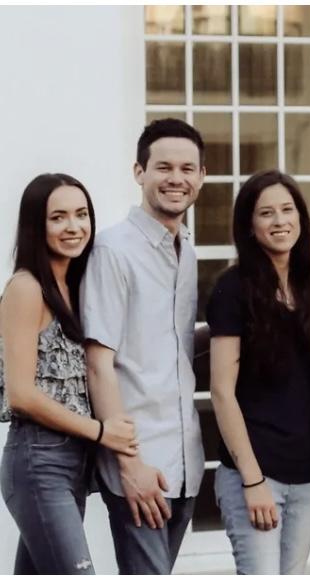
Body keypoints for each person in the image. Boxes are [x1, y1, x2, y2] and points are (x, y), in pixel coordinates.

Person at [81, 118, 206, 574]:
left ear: (202, 177)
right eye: (164, 167)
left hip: (186, 459)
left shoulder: (186, 251)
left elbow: (172, 346)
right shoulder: (113, 250)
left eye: (187, 169)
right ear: (139, 172)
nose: (177, 179)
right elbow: (99, 364)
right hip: (139, 460)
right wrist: (129, 465)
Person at [0, 174, 137, 574]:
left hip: (73, 462)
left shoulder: (76, 285)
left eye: (81, 214)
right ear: (36, 226)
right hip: (39, 460)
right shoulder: (26, 288)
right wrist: (101, 431)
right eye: (58, 217)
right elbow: (21, 394)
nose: (73, 226)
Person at [207, 170, 310, 574]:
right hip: (254, 471)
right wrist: (252, 480)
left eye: (288, 210)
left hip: (306, 470)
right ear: (249, 226)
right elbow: (221, 392)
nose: (280, 221)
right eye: (266, 213)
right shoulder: (233, 288)